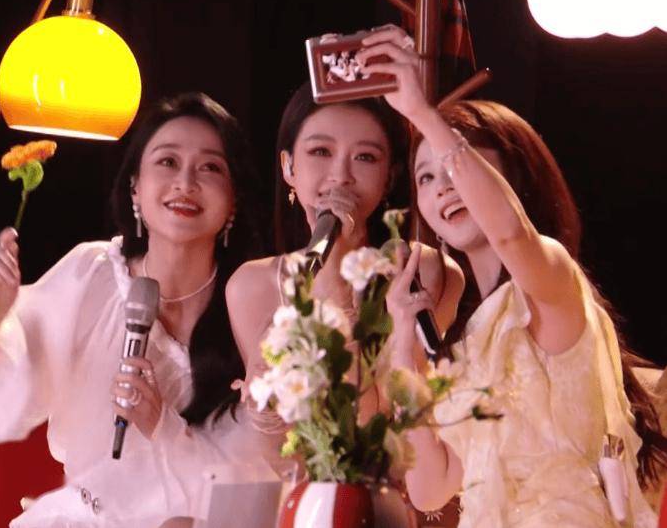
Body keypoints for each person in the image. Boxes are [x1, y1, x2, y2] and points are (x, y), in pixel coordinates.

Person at [359, 26, 667, 527]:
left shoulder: (551, 275)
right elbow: (431, 487)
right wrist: (403, 351)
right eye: (425, 177)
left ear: (510, 179)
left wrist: (423, 115)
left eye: (456, 165)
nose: (442, 187)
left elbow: (510, 235)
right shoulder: (467, 342)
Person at [0, 92, 276, 527]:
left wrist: (162, 426)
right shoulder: (93, 274)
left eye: (210, 168)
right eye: (167, 162)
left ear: (234, 198)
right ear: (135, 186)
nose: (185, 183)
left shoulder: (255, 304)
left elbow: (259, 476)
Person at [226, 82, 464, 424]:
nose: (340, 176)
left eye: (365, 157)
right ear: (288, 166)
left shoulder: (417, 270)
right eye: (321, 151)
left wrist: (336, 269)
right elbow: (274, 427)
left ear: (389, 177)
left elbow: (372, 420)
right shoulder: (252, 285)